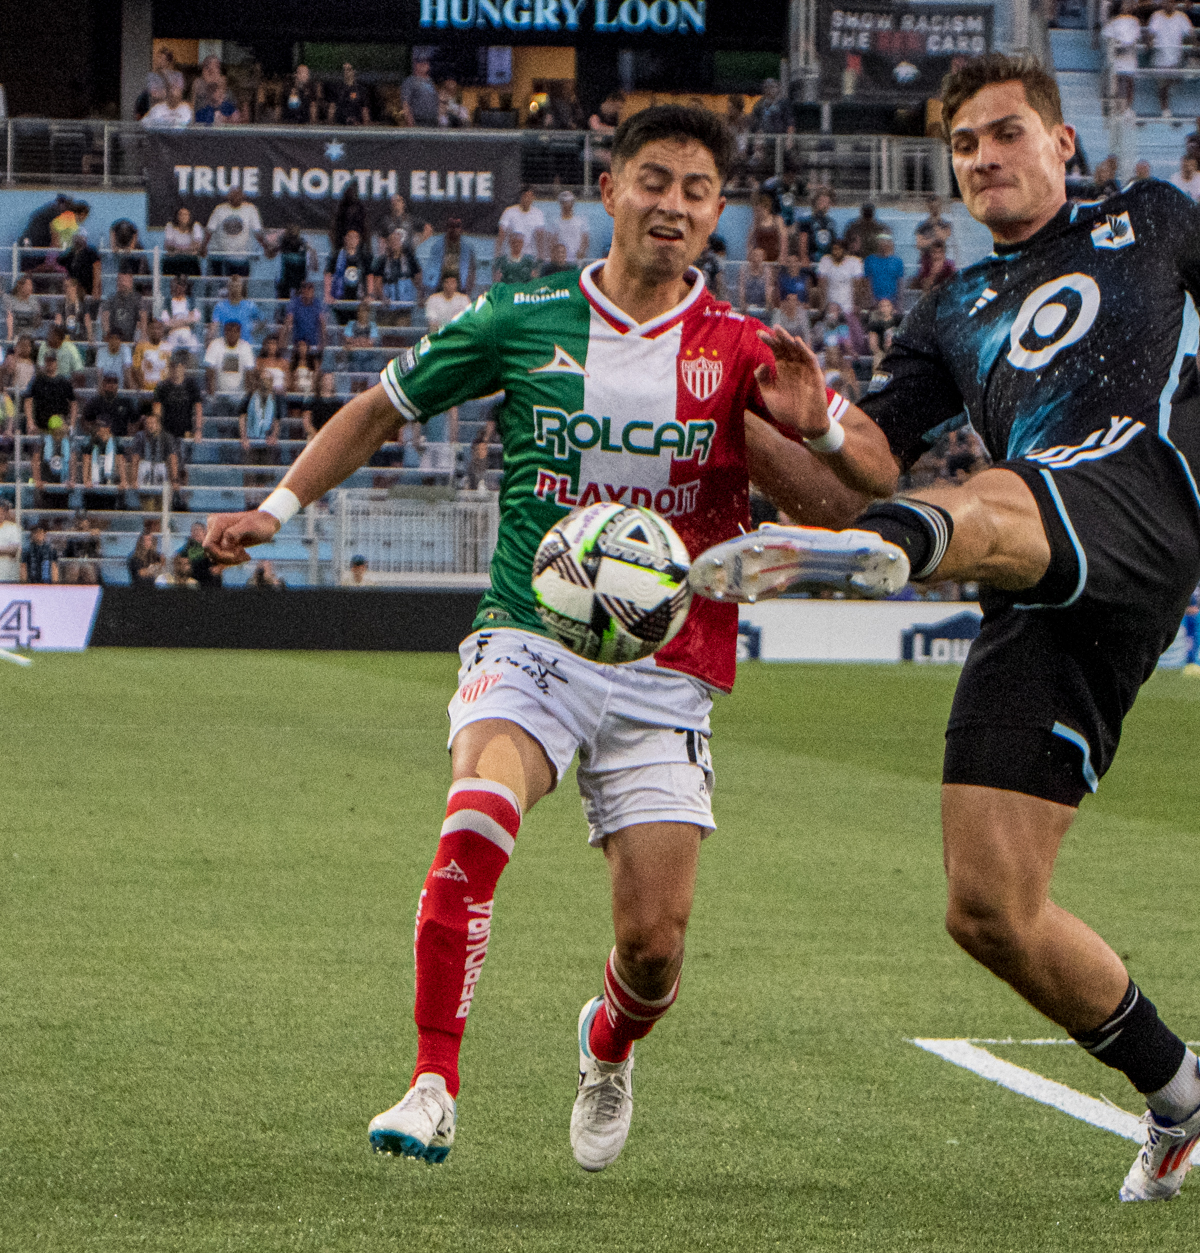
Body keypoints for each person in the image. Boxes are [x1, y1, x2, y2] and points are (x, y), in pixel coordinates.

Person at [689, 54, 1200, 1201]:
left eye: (1005, 133)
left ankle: (890, 560)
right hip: (1038, 576)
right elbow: (855, 475)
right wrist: (801, 431)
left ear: (1063, 144)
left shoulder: (1149, 221)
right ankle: (1180, 1088)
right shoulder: (950, 311)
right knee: (987, 907)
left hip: (1138, 505)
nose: (983, 158)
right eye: (963, 146)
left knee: (1003, 492)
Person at [199, 104, 899, 1174]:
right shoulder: (518, 317)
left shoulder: (743, 350)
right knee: (476, 815)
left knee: (653, 949)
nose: (671, 203)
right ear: (609, 190)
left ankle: (606, 1047)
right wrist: (275, 512)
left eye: (695, 190)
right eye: (652, 180)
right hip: (532, 637)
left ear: (718, 215)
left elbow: (862, 494)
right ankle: (433, 1081)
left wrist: (819, 428)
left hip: (671, 671)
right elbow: (383, 409)